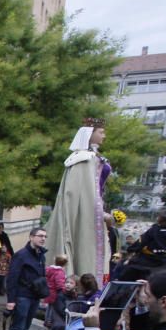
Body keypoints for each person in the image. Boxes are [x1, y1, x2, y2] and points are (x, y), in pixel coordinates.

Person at [45, 118, 111, 280]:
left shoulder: (93, 158)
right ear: (89, 134)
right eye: (101, 132)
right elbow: (76, 193)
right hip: (85, 211)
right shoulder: (82, 160)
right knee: (81, 240)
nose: (104, 136)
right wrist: (99, 212)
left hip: (93, 210)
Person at [3, 227, 48, 330]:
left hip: (34, 297)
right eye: (40, 236)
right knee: (17, 326)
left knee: (25, 326)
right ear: (31, 237)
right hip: (22, 296)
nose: (43, 239)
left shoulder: (41, 255)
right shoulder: (21, 255)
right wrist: (11, 300)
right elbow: (12, 278)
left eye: (45, 236)